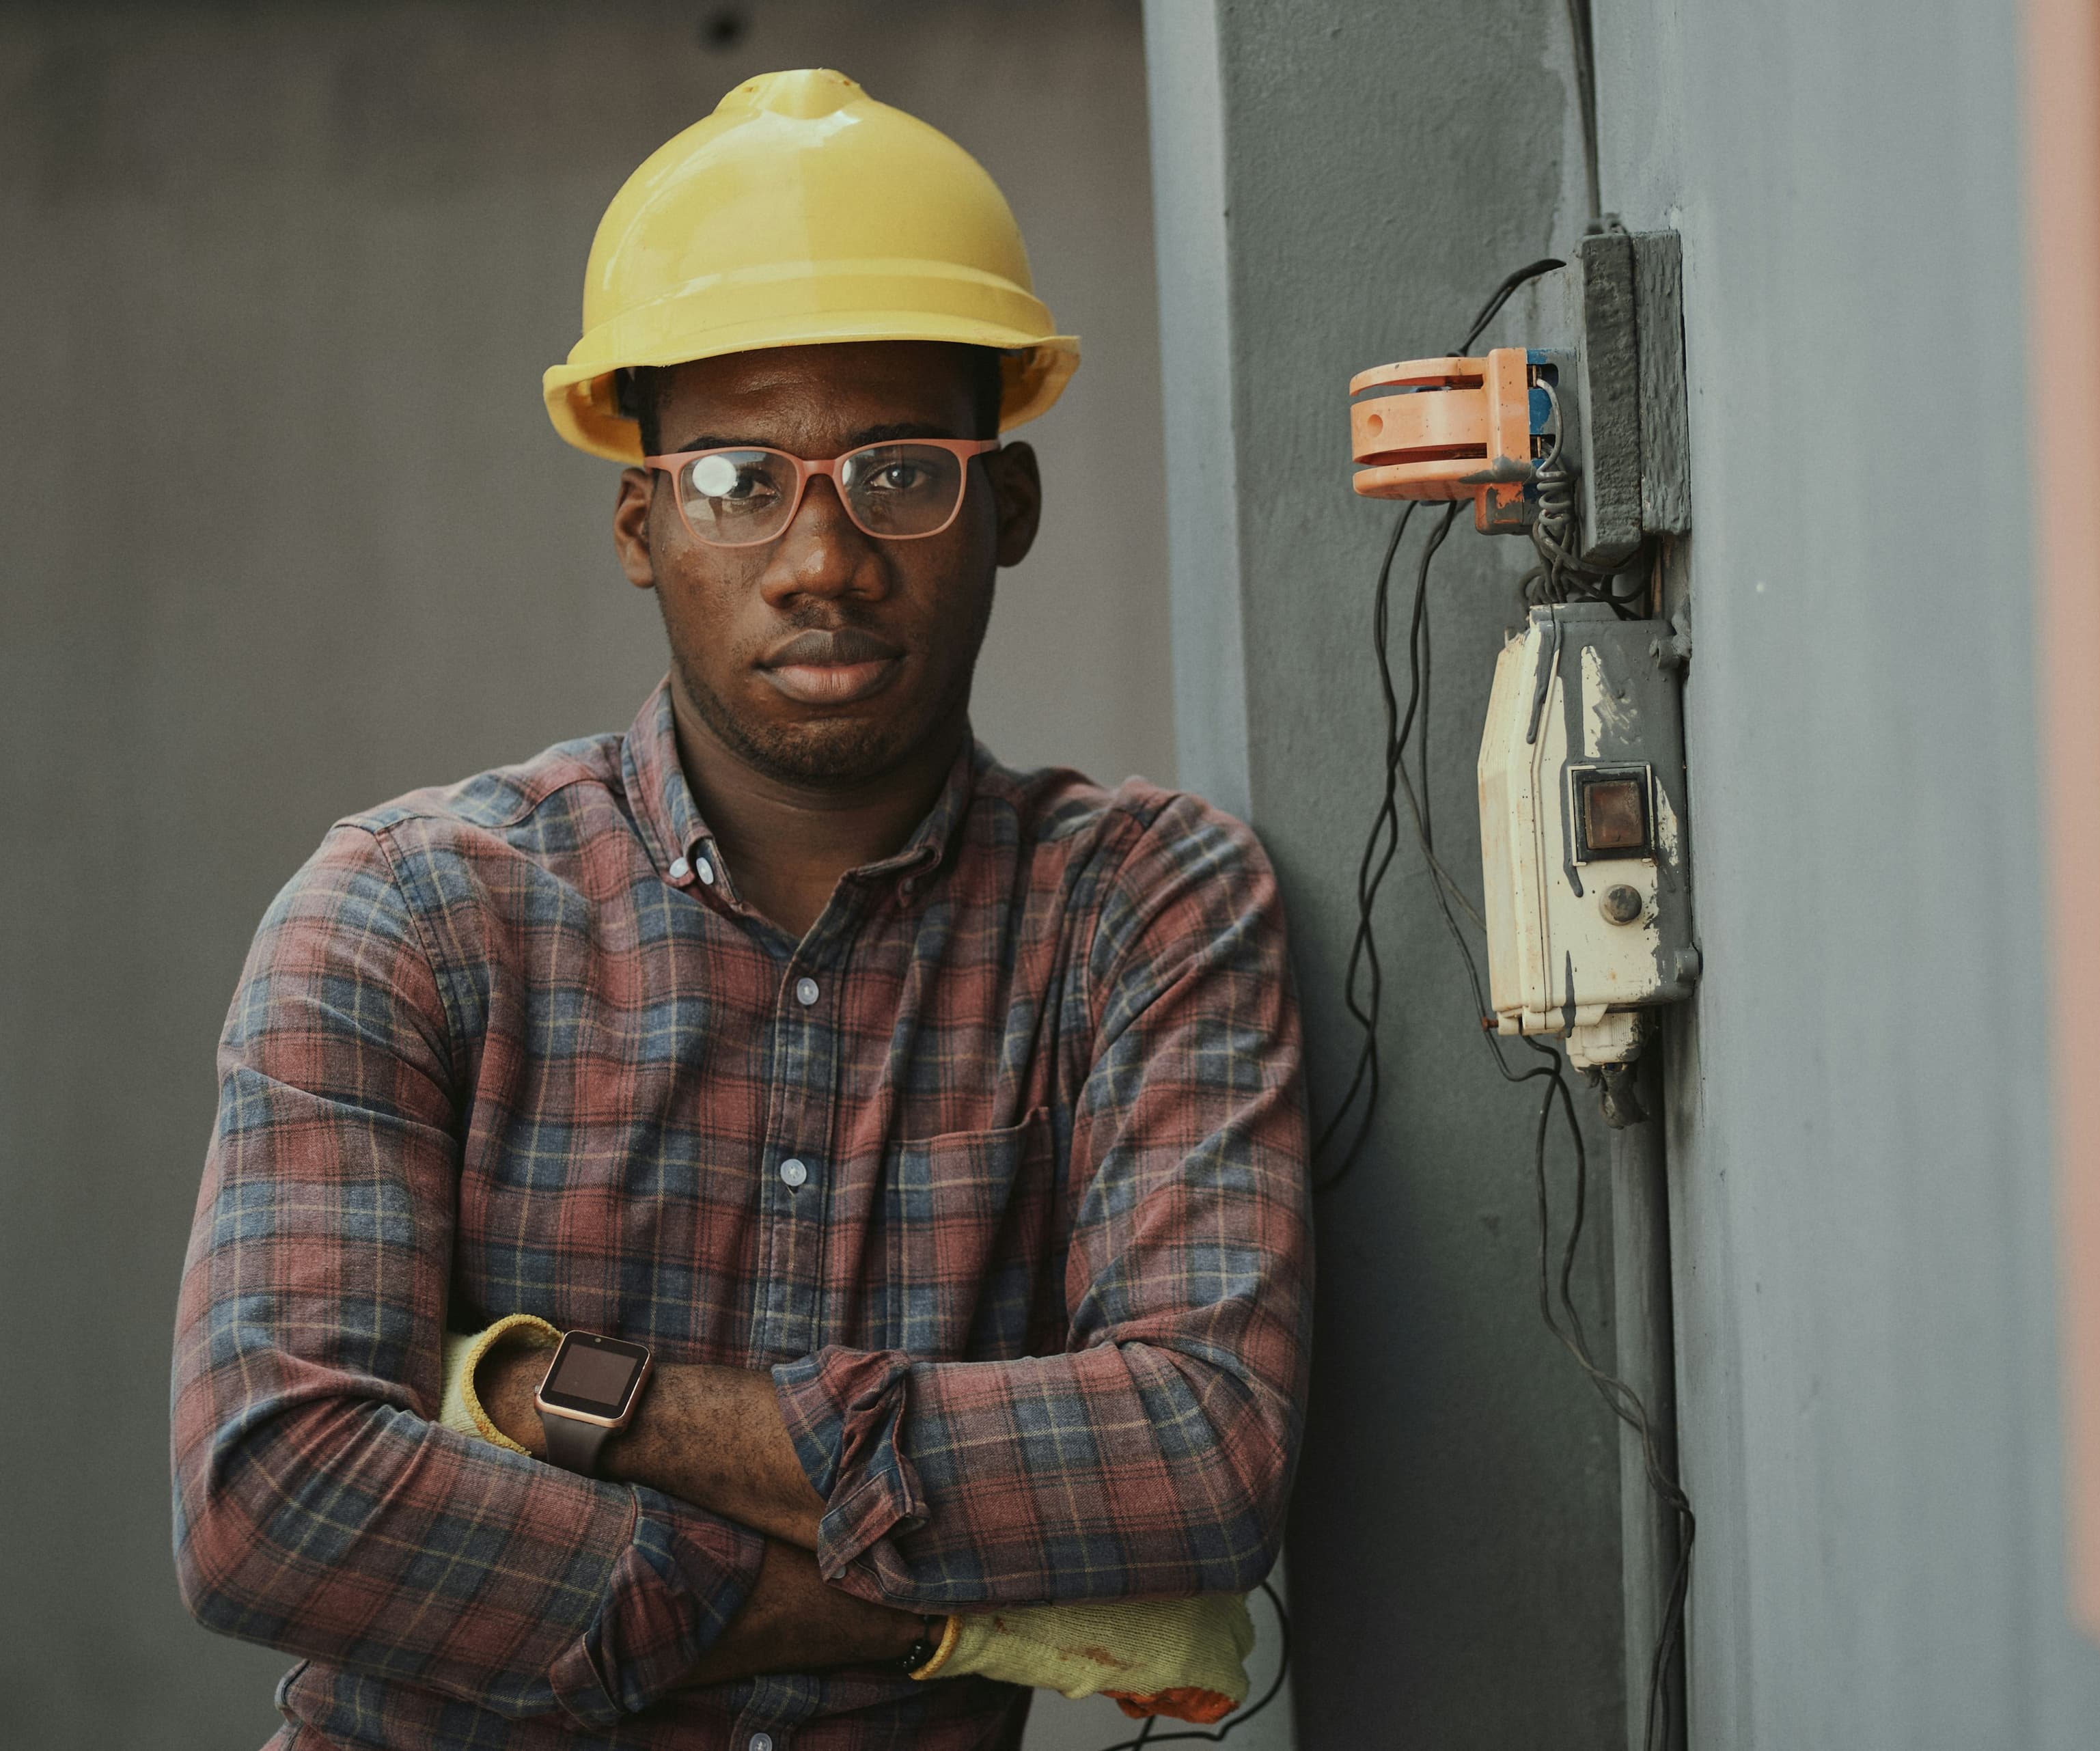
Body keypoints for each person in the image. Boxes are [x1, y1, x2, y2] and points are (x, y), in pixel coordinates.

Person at [170, 69, 1309, 1751]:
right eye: (735, 482)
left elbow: (1202, 1457)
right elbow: (273, 1496)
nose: (824, 556)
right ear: (643, 523)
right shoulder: (407, 914)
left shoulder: (1142, 911)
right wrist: (936, 1615)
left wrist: (585, 1405)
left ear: (1011, 507)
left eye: (901, 473)